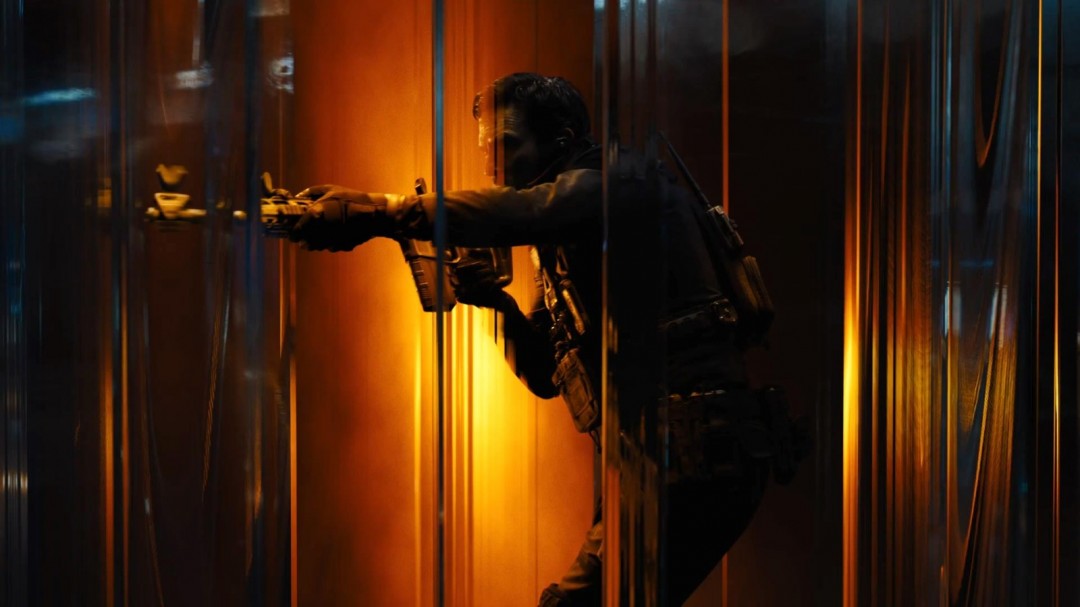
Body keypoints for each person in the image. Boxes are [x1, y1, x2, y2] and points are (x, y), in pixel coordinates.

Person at [290, 72, 802, 606]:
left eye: (506, 146)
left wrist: (381, 211)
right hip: (658, 461)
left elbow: (530, 211)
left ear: (561, 141)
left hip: (694, 457)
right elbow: (545, 374)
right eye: (486, 149)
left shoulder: (619, 182)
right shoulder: (564, 237)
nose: (492, 165)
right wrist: (496, 304)